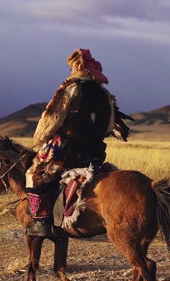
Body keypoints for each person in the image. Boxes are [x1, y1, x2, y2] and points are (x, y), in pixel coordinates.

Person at [25, 49, 132, 236]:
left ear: (76, 67)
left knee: (34, 173)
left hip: (68, 149)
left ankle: (41, 222)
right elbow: (108, 126)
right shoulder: (105, 95)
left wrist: (41, 139)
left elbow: (52, 118)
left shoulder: (70, 88)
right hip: (95, 151)